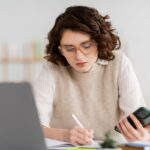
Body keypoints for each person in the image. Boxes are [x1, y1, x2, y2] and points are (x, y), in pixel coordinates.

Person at [33, 5, 148, 145]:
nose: (79, 56)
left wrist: (144, 136)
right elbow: (33, 126)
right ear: (60, 49)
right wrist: (65, 135)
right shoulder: (52, 69)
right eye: (69, 49)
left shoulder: (119, 62)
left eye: (86, 46)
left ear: (99, 42)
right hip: (69, 147)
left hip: (112, 146)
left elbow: (138, 118)